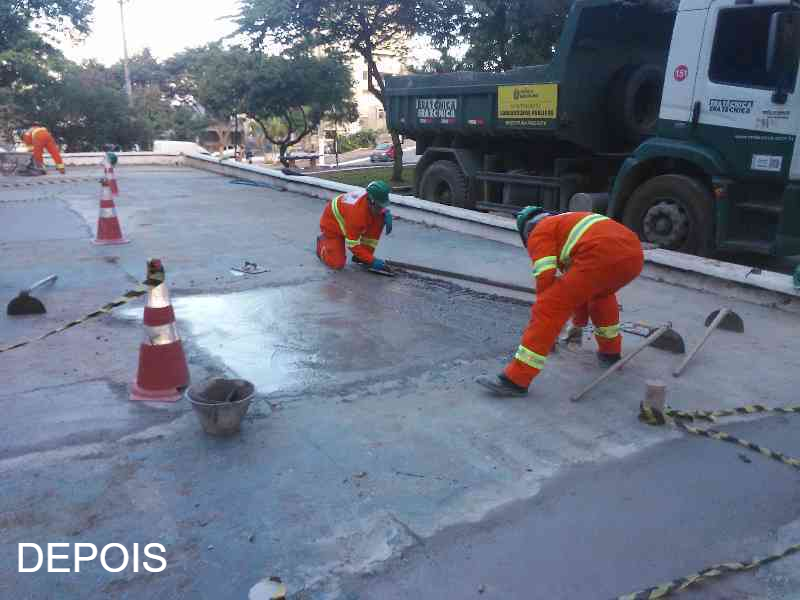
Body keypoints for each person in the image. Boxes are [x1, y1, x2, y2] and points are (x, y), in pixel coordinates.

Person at [477, 206, 644, 397]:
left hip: (600, 254)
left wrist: (548, 325)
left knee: (548, 306)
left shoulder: (539, 230)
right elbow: (580, 292)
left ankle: (516, 380)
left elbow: (545, 275)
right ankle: (610, 353)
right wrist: (577, 326)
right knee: (601, 297)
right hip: (633, 256)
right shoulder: (567, 224)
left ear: (525, 231)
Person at [316, 180, 393, 271]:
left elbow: (378, 209)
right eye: (380, 206)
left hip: (348, 218)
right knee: (337, 264)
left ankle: (362, 257)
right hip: (332, 224)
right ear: (371, 202)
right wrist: (372, 261)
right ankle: (322, 244)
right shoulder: (357, 214)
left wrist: (385, 212)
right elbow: (352, 244)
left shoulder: (371, 198)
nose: (382, 209)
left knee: (380, 218)